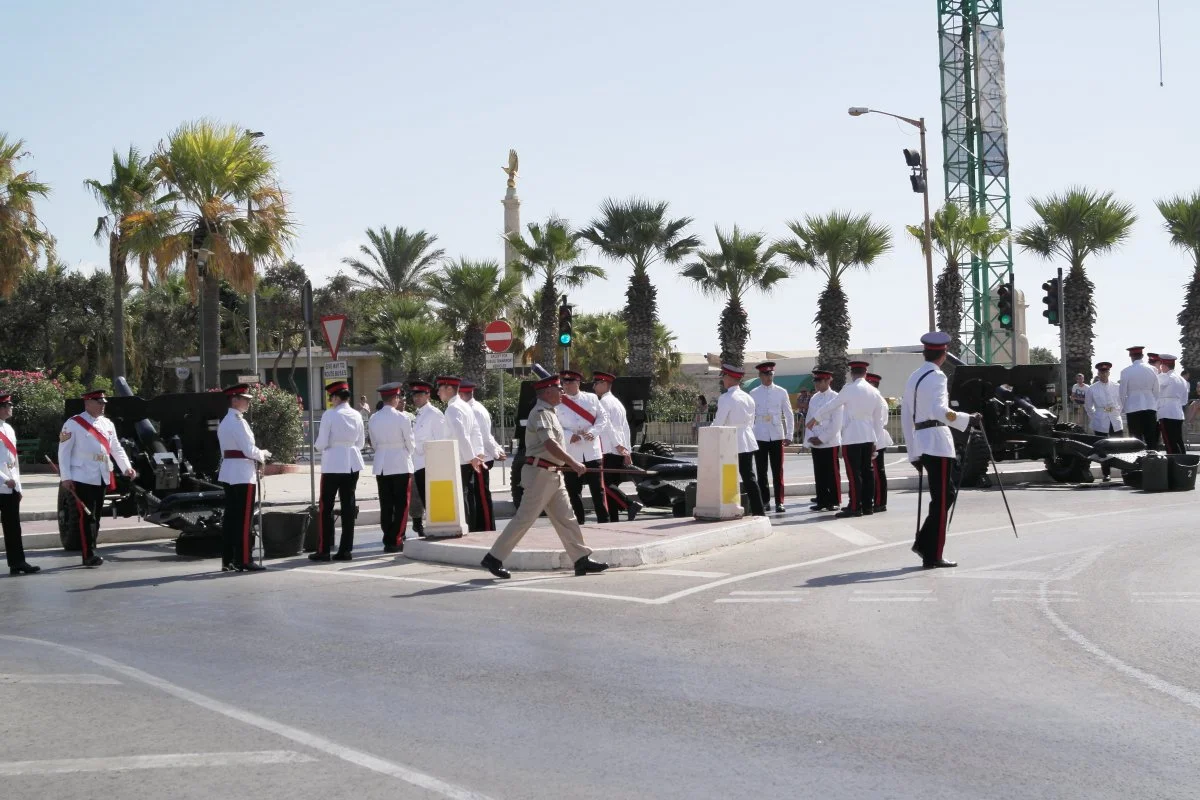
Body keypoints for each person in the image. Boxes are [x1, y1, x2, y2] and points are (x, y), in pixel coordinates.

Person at [480, 374, 609, 579]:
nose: (562, 392)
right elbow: (550, 443)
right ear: (548, 392)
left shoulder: (551, 412)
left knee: (567, 518)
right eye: (559, 389)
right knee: (525, 518)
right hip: (540, 473)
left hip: (552, 473)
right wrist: (573, 463)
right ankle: (494, 557)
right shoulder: (541, 412)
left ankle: (581, 558)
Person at [901, 332, 979, 569]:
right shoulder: (937, 376)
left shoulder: (914, 376)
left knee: (943, 496)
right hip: (936, 440)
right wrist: (968, 419)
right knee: (944, 496)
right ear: (943, 354)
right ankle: (932, 553)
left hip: (923, 441)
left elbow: (906, 415)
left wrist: (913, 451)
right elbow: (939, 411)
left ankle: (925, 544)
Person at [58, 388, 136, 568]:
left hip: (101, 474)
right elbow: (64, 452)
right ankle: (88, 555)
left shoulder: (107, 424)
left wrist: (126, 467)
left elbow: (116, 448)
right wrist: (66, 477)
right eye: (99, 403)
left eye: (104, 403)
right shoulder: (74, 423)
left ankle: (92, 548)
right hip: (82, 475)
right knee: (87, 516)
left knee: (96, 516)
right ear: (88, 403)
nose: (103, 406)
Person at [806, 361, 883, 518]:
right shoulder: (874, 392)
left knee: (854, 473)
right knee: (867, 472)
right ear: (865, 373)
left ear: (852, 373)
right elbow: (878, 420)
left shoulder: (850, 389)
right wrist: (876, 440)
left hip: (852, 436)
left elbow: (834, 404)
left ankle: (855, 506)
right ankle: (868, 505)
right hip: (868, 436)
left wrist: (816, 417)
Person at [217, 383, 270, 572]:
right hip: (242, 474)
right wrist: (263, 454)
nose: (248, 403)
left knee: (231, 518)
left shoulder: (225, 421)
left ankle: (228, 559)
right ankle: (244, 559)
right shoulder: (238, 422)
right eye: (245, 399)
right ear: (235, 400)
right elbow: (248, 450)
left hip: (229, 471)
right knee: (245, 519)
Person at [311, 380, 365, 561]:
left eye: (331, 398)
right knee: (348, 506)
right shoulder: (357, 415)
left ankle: (324, 549)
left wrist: (317, 447)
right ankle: (345, 549)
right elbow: (361, 443)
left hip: (333, 463)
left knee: (326, 507)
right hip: (352, 462)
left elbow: (322, 442)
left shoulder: (330, 414)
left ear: (335, 397)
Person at [556, 370, 612, 524]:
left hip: (591, 452)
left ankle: (604, 522)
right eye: (564, 383)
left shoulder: (591, 398)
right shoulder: (558, 402)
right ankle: (579, 523)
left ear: (578, 383)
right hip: (571, 452)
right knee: (573, 492)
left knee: (598, 491)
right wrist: (568, 436)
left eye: (570, 382)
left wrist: (593, 432)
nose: (566, 386)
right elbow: (555, 425)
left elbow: (603, 418)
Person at [712, 363, 765, 517]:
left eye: (724, 377)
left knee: (730, 476)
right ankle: (758, 510)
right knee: (749, 477)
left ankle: (731, 507)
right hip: (747, 439)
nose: (723, 380)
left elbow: (719, 422)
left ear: (729, 378)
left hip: (731, 440)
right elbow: (751, 422)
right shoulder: (748, 398)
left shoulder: (726, 398)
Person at [369, 382, 416, 552]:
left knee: (386, 503)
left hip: (381, 463)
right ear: (395, 398)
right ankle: (397, 538)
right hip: (400, 463)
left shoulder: (374, 418)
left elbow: (373, 443)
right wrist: (408, 453)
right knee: (402, 503)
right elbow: (410, 443)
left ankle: (388, 536)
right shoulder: (402, 417)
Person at [592, 370, 643, 521]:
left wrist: (620, 447)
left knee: (605, 484)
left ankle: (629, 504)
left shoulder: (604, 403)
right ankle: (613, 518)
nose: (593, 386)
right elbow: (625, 429)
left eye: (596, 383)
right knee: (611, 486)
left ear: (604, 384)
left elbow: (608, 427)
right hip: (617, 450)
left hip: (609, 449)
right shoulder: (617, 403)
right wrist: (627, 450)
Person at [438, 375, 487, 531]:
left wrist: (471, 456)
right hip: (465, 458)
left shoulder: (453, 409)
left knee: (460, 496)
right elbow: (475, 431)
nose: (438, 392)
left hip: (458, 459)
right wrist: (478, 452)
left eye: (440, 388)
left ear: (449, 388)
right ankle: (470, 526)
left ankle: (465, 527)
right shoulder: (464, 406)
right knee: (466, 494)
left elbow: (462, 435)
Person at [0, 393, 39, 575]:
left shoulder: (9, 429)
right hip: (3, 482)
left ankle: (18, 562)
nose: (11, 407)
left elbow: (13, 461)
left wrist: (18, 487)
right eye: (7, 404)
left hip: (10, 487)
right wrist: (3, 479)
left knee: (13, 527)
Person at [460, 380, 505, 532]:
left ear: (462, 394)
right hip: (476, 458)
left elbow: (485, 437)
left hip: (480, 459)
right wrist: (497, 450)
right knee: (476, 495)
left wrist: (496, 452)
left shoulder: (475, 410)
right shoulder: (471, 408)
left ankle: (486, 527)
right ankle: (479, 526)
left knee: (481, 496)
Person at [750, 361, 793, 513]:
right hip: (760, 434)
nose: (769, 377)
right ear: (760, 376)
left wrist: (789, 434)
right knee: (761, 471)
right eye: (766, 374)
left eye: (771, 374)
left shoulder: (781, 392)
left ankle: (780, 502)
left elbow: (788, 414)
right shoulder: (754, 393)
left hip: (776, 434)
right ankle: (765, 501)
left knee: (777, 470)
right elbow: (750, 416)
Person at [409, 381, 446, 535]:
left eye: (419, 395)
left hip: (428, 464)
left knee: (430, 499)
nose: (416, 398)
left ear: (428, 395)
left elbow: (440, 441)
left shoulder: (434, 414)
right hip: (416, 464)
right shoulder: (417, 414)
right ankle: (420, 526)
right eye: (414, 395)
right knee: (420, 498)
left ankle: (434, 528)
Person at [806, 369, 842, 512]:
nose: (817, 384)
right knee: (819, 472)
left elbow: (836, 423)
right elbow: (809, 419)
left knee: (832, 472)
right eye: (815, 381)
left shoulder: (835, 397)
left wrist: (822, 438)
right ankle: (821, 499)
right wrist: (810, 438)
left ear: (828, 381)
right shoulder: (814, 398)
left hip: (829, 441)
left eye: (819, 381)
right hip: (815, 439)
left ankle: (834, 500)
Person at [1084, 362, 1123, 481]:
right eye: (1101, 372)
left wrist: (1117, 412)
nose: (1104, 374)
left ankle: (1124, 470)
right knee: (1103, 449)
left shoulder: (1116, 386)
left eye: (1106, 372)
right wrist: (1094, 417)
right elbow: (1088, 405)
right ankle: (1106, 473)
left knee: (1119, 446)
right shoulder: (1092, 388)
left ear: (1109, 373)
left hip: (1115, 418)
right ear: (1098, 373)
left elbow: (1121, 402)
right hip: (1101, 418)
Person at [1120, 346, 1160, 448]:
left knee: (1135, 439)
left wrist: (1124, 407)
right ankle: (1152, 460)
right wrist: (1153, 403)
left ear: (1131, 356)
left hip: (1133, 407)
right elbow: (1156, 391)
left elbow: (1122, 393)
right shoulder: (1153, 369)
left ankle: (1138, 462)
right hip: (1150, 406)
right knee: (1151, 437)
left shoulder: (1126, 371)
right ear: (1142, 355)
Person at [865, 373, 893, 511]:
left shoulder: (879, 400)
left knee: (878, 472)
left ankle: (880, 502)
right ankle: (874, 499)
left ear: (873, 384)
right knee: (873, 472)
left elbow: (878, 422)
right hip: (872, 437)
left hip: (877, 438)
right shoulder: (872, 399)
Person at [1156, 354, 1188, 454]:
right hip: (1178, 413)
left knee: (1169, 442)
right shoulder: (1182, 380)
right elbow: (1184, 401)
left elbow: (1154, 389)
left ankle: (1173, 464)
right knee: (1178, 440)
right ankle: (1184, 462)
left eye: (1161, 365)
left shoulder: (1164, 377)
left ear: (1164, 366)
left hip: (1166, 413)